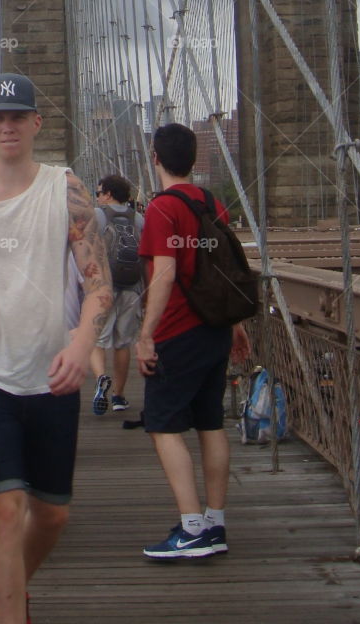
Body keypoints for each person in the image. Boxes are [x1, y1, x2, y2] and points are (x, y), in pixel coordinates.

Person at [0, 74, 112, 624]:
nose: (7, 126)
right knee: (5, 512)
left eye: (18, 117)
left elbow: (99, 283)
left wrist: (83, 342)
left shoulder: (66, 190)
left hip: (51, 374)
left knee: (52, 515)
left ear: (36, 123)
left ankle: (13, 588)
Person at [134, 123, 251, 559]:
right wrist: (235, 323)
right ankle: (214, 523)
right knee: (210, 424)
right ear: (194, 156)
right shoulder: (212, 203)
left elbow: (163, 275)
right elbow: (224, 268)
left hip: (178, 332)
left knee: (162, 425)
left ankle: (192, 529)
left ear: (155, 157)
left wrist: (146, 335)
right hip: (214, 330)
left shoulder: (163, 209)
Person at [89, 173, 144, 415]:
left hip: (104, 287)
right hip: (132, 287)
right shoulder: (139, 218)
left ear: (108, 194)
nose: (97, 197)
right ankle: (119, 397)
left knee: (97, 339)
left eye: (99, 192)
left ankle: (102, 377)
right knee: (123, 343)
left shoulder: (97, 215)